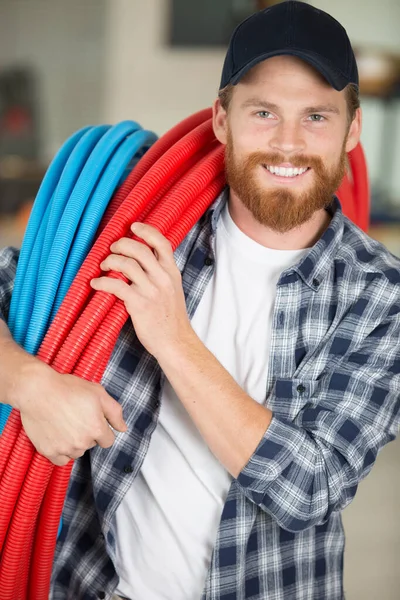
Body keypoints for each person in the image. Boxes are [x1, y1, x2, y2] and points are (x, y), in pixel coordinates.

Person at [0, 2, 399, 599]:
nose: (288, 144)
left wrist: (173, 338)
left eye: (316, 115)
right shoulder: (134, 234)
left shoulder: (379, 296)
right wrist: (30, 384)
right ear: (221, 119)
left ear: (353, 129)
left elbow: (308, 487)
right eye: (263, 112)